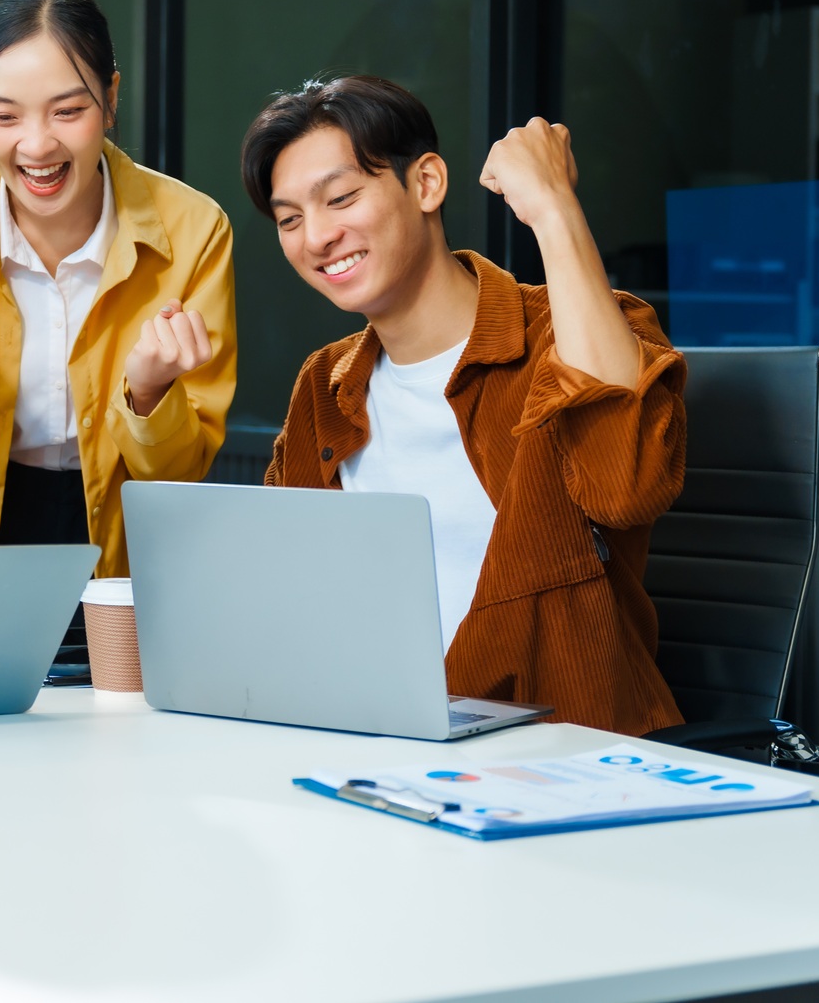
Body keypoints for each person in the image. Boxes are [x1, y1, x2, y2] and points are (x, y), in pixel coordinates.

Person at [243, 75, 685, 736]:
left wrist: (553, 209)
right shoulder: (325, 383)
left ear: (425, 183)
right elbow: (286, 594)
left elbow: (626, 486)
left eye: (339, 198)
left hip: (563, 761)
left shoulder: (577, 335)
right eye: (289, 219)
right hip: (374, 749)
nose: (317, 237)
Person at [0, 0, 236, 637]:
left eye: (68, 111)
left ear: (110, 97)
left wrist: (151, 392)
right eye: (4, 116)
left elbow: (181, 473)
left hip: (130, 556)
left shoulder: (193, 228)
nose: (37, 145)